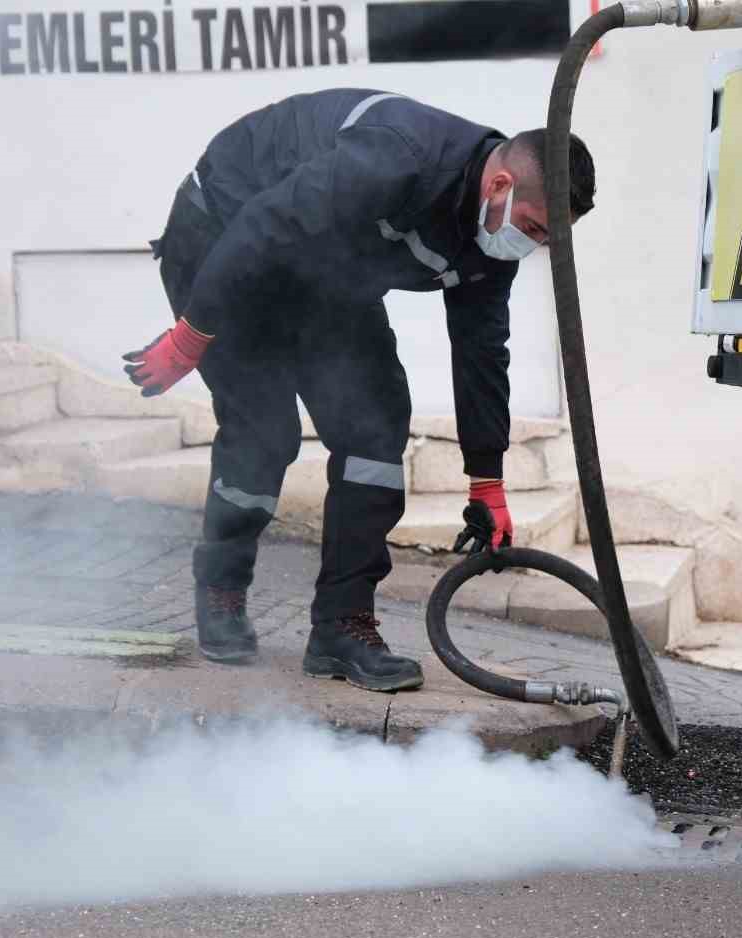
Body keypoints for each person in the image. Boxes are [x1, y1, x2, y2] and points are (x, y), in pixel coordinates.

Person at [122, 89, 596, 693]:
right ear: (500, 184)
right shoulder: (398, 157)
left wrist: (487, 479)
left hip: (323, 268)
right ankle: (221, 589)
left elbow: (481, 353)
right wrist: (191, 336)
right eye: (533, 228)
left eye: (549, 239)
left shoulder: (489, 243)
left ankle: (343, 626)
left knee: (373, 424)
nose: (532, 246)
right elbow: (265, 226)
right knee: (264, 431)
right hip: (223, 233)